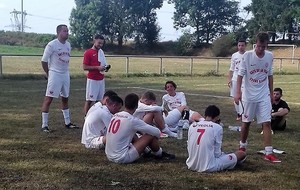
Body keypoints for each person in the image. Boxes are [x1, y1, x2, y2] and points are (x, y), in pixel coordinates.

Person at [234, 32, 281, 163]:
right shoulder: (247, 56)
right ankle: (242, 146)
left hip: (263, 94)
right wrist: (237, 92)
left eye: (263, 47)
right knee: (246, 123)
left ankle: (269, 152)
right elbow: (240, 76)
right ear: (256, 43)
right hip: (249, 96)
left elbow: (270, 76)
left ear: (267, 45)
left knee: (266, 122)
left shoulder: (270, 56)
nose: (260, 49)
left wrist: (271, 93)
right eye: (259, 46)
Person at [105, 93, 175, 164]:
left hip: (109, 155)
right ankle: (159, 154)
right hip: (121, 157)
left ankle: (147, 152)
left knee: (132, 133)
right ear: (136, 106)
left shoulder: (115, 115)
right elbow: (156, 132)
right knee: (150, 134)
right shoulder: (132, 120)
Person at [186, 105, 246, 172]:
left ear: (205, 115)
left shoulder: (192, 126)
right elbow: (217, 154)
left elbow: (189, 146)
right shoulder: (217, 127)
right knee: (241, 154)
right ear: (217, 117)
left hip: (191, 164)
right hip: (210, 165)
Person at [40, 24, 77, 133]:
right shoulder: (52, 45)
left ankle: (67, 122)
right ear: (59, 32)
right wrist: (49, 73)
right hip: (55, 74)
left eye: (67, 31)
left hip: (65, 74)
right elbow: (44, 60)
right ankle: (44, 125)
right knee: (49, 98)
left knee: (65, 98)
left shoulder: (68, 45)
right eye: (65, 31)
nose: (67, 33)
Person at [83, 34, 109, 115]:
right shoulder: (88, 52)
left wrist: (105, 68)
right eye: (99, 43)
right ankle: (86, 117)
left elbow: (102, 64)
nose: (100, 45)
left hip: (101, 79)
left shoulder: (101, 52)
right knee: (90, 100)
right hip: (92, 79)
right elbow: (85, 67)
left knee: (100, 101)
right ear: (94, 41)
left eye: (102, 43)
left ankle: (97, 116)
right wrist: (97, 68)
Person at [228, 39, 246, 121]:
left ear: (245, 46)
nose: (241, 47)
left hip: (245, 79)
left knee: (244, 97)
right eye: (239, 45)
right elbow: (231, 68)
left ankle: (245, 113)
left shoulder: (248, 55)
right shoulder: (234, 55)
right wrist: (229, 79)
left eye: (242, 45)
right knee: (235, 98)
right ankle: (239, 113)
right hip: (235, 79)